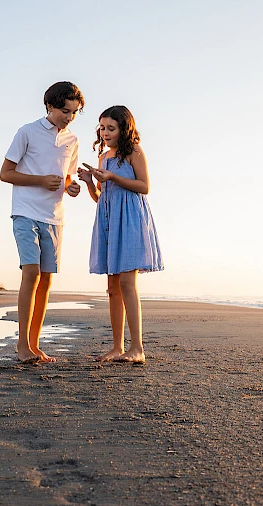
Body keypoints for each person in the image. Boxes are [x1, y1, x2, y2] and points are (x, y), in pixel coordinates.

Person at [0, 81, 85, 364]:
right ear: (49, 105)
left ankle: (34, 346)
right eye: (64, 110)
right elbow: (5, 173)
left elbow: (67, 177)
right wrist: (40, 181)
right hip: (25, 211)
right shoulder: (27, 132)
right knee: (32, 273)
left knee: (46, 280)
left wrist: (71, 187)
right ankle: (22, 345)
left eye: (73, 112)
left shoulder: (72, 140)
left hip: (55, 216)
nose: (68, 117)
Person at [77, 105, 163, 363]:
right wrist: (91, 182)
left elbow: (144, 186)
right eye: (102, 128)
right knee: (112, 287)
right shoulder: (103, 157)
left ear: (124, 128)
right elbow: (102, 198)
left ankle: (137, 348)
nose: (105, 133)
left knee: (127, 283)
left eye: (111, 128)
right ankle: (117, 347)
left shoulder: (134, 151)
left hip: (132, 220)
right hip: (109, 221)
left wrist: (113, 176)